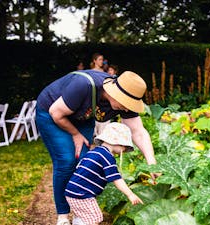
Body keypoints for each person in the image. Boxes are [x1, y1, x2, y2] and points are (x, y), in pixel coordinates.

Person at [36, 70, 157, 225]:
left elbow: (138, 132)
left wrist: (151, 162)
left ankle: (82, 214)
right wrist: (75, 134)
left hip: (83, 116)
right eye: (126, 104)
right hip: (52, 112)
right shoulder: (84, 85)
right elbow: (56, 112)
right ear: (116, 93)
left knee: (84, 163)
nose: (127, 110)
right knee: (66, 161)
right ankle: (63, 216)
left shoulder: (129, 96)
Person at [65, 122, 143, 225]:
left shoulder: (96, 152)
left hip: (73, 190)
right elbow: (116, 179)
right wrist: (130, 194)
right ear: (118, 142)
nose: (124, 150)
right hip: (81, 193)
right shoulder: (107, 156)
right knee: (95, 218)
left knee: (83, 217)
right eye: (125, 147)